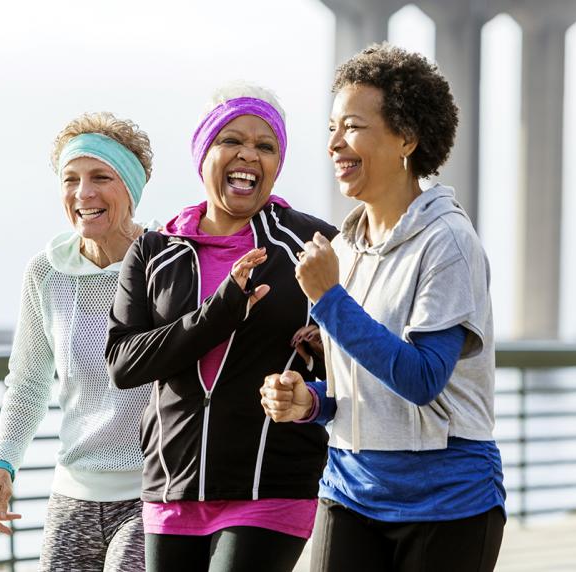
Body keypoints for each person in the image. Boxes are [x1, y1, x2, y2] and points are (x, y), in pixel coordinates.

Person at [260, 44, 506, 572]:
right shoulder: (344, 249)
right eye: (331, 128)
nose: (333, 143)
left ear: (407, 139)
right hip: (349, 491)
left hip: (448, 502)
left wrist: (328, 299)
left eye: (352, 127)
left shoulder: (449, 242)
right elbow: (364, 388)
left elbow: (421, 379)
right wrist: (312, 401)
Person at [105, 82, 337, 572]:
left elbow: (364, 344)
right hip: (173, 483)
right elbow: (125, 364)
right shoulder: (153, 250)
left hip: (272, 483)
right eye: (231, 140)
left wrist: (330, 340)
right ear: (204, 151)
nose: (248, 154)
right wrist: (223, 310)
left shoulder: (313, 244)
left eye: (265, 145)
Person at [0, 112, 155, 571]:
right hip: (72, 494)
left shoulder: (166, 264)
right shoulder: (46, 272)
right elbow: (29, 381)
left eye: (101, 177)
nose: (83, 193)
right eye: (70, 179)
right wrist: (3, 465)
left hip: (152, 493)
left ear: (131, 188)